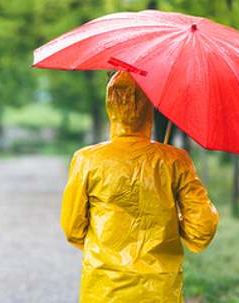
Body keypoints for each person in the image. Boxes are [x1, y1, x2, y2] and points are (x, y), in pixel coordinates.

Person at [61, 71, 218, 303]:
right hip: (160, 290)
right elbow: (202, 229)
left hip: (103, 288)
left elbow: (72, 229)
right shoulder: (175, 160)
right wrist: (171, 223)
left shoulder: (87, 160)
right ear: (150, 107)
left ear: (110, 104)